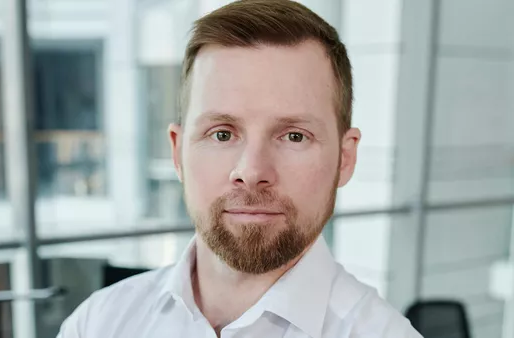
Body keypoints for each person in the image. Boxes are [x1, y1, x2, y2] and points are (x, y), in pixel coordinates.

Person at [57, 1, 423, 337]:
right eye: (221, 133)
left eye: (294, 136)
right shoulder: (97, 323)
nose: (251, 171)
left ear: (345, 159)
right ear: (177, 152)